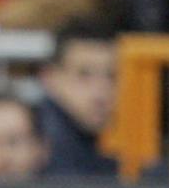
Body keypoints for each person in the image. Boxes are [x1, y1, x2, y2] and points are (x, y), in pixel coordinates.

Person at [38, 20, 120, 178]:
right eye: (84, 74)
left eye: (113, 76)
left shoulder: (132, 142)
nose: (100, 92)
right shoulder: (31, 145)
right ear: (49, 77)